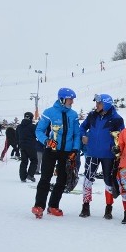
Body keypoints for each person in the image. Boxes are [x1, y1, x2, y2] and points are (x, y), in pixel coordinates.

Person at [30, 88, 81, 219]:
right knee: (45, 177)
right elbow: (39, 131)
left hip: (67, 152)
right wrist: (47, 141)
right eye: (70, 99)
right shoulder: (49, 112)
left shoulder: (73, 115)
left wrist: (75, 150)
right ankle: (39, 206)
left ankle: (53, 205)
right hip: (51, 151)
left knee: (62, 179)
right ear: (62, 99)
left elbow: (77, 134)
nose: (72, 102)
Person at [79, 94, 125, 219]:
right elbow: (82, 127)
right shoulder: (92, 115)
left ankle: (108, 209)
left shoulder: (117, 119)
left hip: (108, 155)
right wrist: (83, 135)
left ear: (106, 104)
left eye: (99, 103)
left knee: (108, 181)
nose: (96, 105)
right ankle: (85, 206)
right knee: (88, 179)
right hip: (92, 153)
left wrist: (118, 150)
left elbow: (122, 138)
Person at [16, 112, 38, 182]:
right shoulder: (33, 126)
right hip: (31, 146)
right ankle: (30, 175)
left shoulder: (19, 127)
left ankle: (22, 177)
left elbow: (16, 136)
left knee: (24, 161)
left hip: (22, 146)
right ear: (31, 118)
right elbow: (37, 135)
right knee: (34, 160)